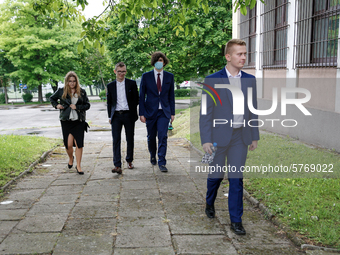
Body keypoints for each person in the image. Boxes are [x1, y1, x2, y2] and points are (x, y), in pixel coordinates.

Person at [199, 39, 260, 235]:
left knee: (236, 179)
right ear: (228, 56)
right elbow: (205, 113)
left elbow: (253, 110)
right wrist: (206, 140)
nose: (243, 57)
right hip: (217, 137)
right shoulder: (212, 80)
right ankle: (209, 202)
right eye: (239, 54)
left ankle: (236, 221)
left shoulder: (249, 80)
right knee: (215, 177)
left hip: (240, 137)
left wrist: (254, 135)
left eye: (245, 54)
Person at [139, 51, 175, 172]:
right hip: (150, 112)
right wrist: (141, 113)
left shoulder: (170, 76)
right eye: (157, 60)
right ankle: (152, 154)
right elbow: (141, 96)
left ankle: (162, 162)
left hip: (164, 112)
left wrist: (172, 113)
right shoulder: (146, 76)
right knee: (151, 137)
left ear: (164, 62)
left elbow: (171, 96)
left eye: (161, 60)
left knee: (163, 136)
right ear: (153, 62)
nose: (159, 63)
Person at [50, 71, 91, 175]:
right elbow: (52, 99)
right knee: (68, 145)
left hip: (79, 121)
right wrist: (57, 106)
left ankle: (79, 166)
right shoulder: (61, 91)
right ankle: (70, 158)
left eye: (74, 81)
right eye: (70, 81)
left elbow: (87, 105)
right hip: (66, 121)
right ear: (67, 82)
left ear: (76, 81)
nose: (72, 83)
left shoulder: (81, 92)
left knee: (79, 144)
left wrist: (77, 107)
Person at [107, 62, 139, 174]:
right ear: (115, 71)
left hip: (128, 115)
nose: (121, 73)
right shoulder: (110, 86)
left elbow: (136, 99)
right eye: (119, 71)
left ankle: (129, 160)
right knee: (116, 140)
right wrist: (109, 116)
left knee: (130, 138)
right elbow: (109, 103)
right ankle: (117, 165)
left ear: (126, 71)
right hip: (116, 115)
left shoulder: (131, 84)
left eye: (124, 71)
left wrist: (134, 113)